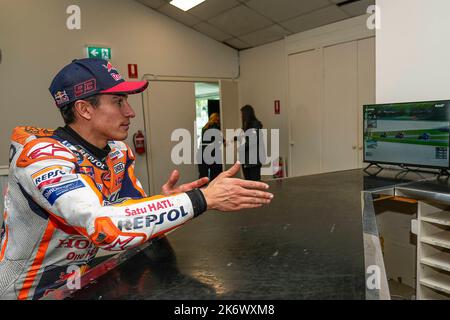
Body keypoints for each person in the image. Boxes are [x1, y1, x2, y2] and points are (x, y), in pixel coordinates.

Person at [0, 58, 273, 300]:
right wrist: (202, 199)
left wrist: (169, 202)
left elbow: (133, 222)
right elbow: (105, 227)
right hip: (23, 292)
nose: (130, 112)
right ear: (84, 109)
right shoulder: (42, 157)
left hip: (76, 284)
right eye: (118, 102)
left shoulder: (118, 152)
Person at [240, 105, 264, 181]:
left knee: (255, 182)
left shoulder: (255, 125)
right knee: (248, 182)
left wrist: (241, 148)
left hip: (254, 159)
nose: (241, 116)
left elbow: (252, 141)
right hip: (246, 159)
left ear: (246, 114)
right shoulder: (246, 125)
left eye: (242, 114)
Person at [198, 112, 223, 181]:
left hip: (201, 152)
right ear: (217, 119)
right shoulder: (215, 127)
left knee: (203, 176)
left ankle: (201, 191)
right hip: (212, 153)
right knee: (215, 176)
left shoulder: (204, 127)